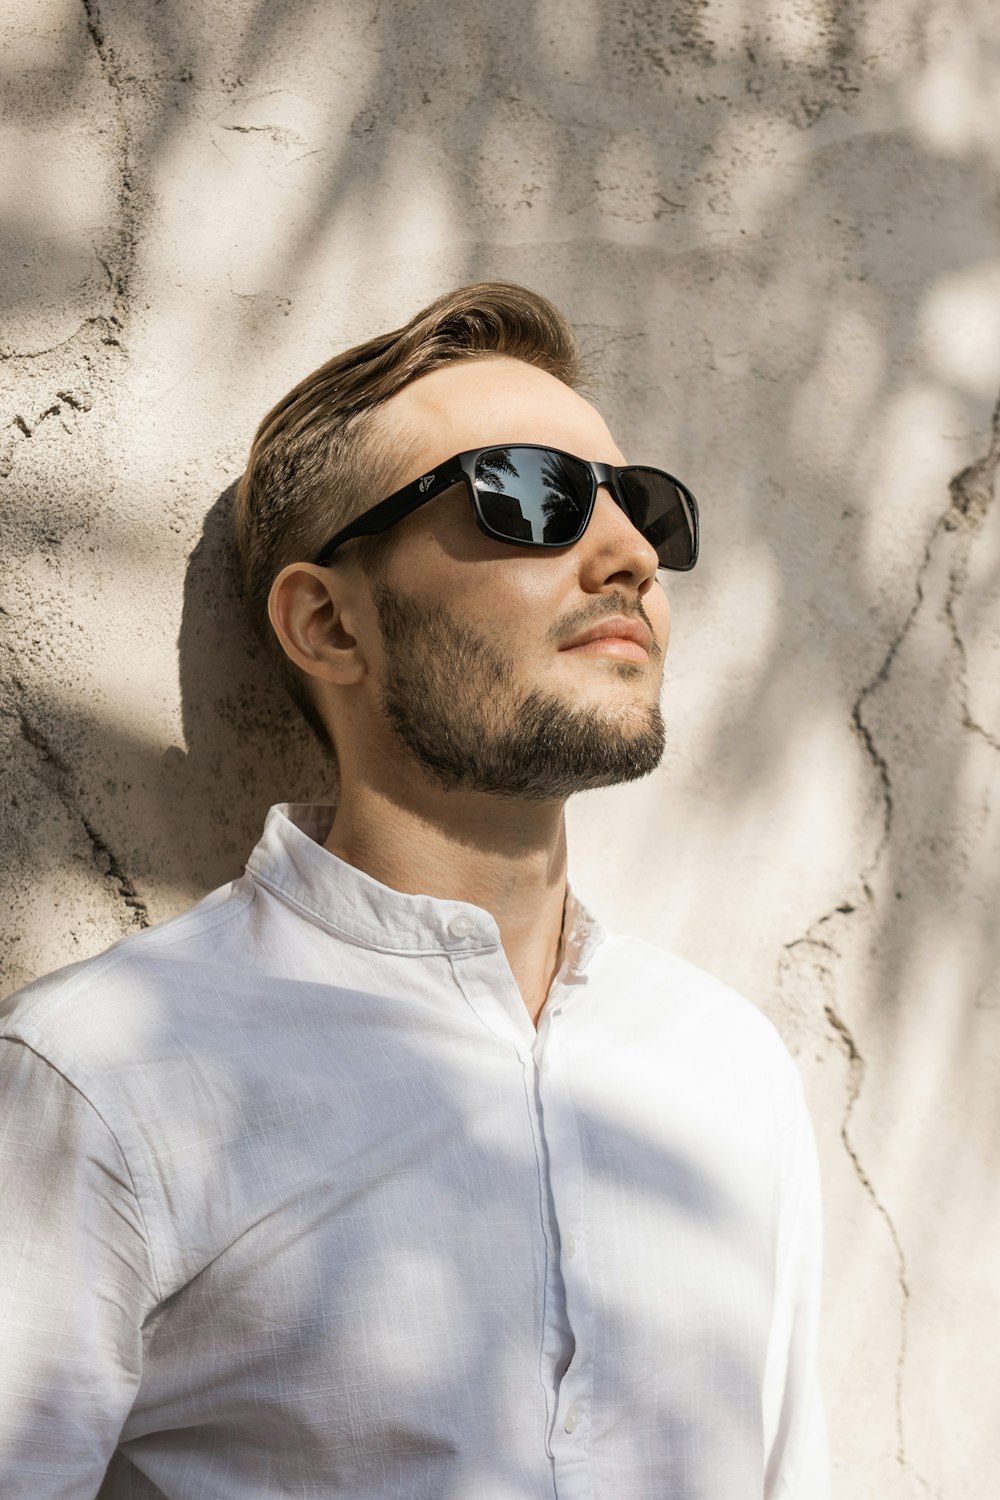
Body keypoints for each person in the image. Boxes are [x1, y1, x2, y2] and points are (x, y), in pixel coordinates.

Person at [0, 282, 828, 1498]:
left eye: (638, 504)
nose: (632, 556)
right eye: (529, 495)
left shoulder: (728, 1070)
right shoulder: (108, 1078)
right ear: (330, 624)